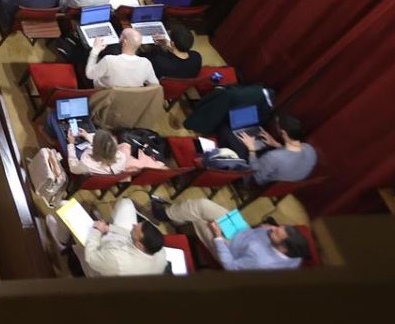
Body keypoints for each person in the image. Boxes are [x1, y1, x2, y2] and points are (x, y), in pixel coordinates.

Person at [158, 198, 309, 270]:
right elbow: (271, 232)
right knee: (202, 205)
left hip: (228, 247)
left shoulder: (260, 261)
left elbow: (230, 266)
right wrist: (265, 228)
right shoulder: (296, 255)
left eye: (276, 233)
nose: (272, 229)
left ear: (284, 249)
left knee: (198, 218)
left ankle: (166, 217)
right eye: (277, 227)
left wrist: (218, 237)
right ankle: (169, 214)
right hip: (244, 231)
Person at [81, 195, 168, 277]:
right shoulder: (159, 249)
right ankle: (105, 223)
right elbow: (129, 233)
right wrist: (109, 228)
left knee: (80, 228)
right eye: (137, 224)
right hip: (123, 247)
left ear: (139, 245)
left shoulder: (118, 261)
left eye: (135, 229)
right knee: (126, 203)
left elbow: (91, 257)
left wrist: (97, 230)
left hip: (103, 266)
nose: (133, 225)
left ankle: (67, 243)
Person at [241, 112, 318, 185]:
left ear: (283, 133)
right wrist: (276, 144)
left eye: (277, 127)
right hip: (282, 186)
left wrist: (251, 149)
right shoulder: (310, 149)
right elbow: (292, 155)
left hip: (256, 183)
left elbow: (256, 176)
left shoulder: (273, 156)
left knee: (241, 149)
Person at [68, 127, 168, 176]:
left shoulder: (86, 162)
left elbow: (73, 168)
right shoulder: (121, 157)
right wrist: (87, 135)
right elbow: (104, 147)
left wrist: (71, 144)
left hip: (81, 169)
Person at [88, 27, 159, 88]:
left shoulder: (109, 60)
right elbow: (155, 85)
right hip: (134, 102)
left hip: (106, 99)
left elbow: (89, 74)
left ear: (124, 42)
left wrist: (95, 51)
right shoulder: (146, 63)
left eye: (121, 36)